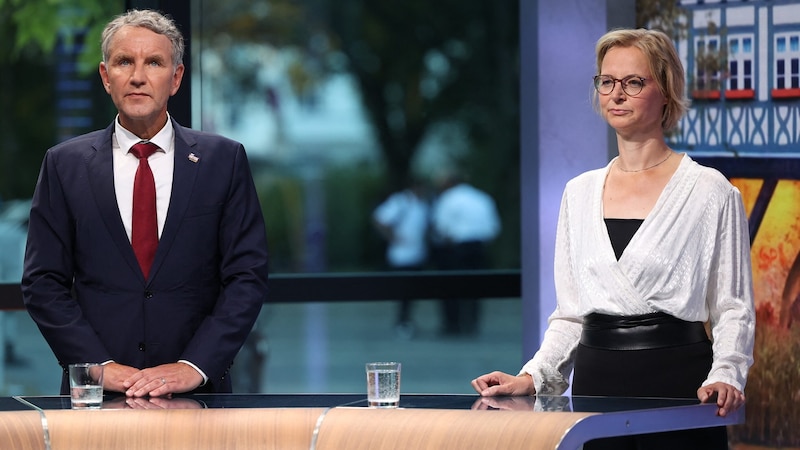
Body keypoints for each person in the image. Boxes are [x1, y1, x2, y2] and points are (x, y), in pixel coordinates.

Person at [471, 28, 755, 449]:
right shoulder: (578, 192)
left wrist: (725, 374)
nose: (616, 94)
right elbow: (570, 316)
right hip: (596, 382)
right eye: (607, 81)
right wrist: (533, 376)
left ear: (666, 91)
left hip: (678, 381)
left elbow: (733, 307)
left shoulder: (709, 191)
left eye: (633, 82)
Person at [21, 9, 269, 398]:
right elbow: (42, 282)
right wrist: (98, 367)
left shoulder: (224, 160)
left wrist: (195, 365)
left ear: (176, 78)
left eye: (154, 62)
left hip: (199, 394)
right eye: (124, 62)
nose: (138, 76)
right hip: (96, 396)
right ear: (106, 77)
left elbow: (246, 276)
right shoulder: (63, 164)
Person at [430, 170, 500, 336]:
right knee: (475, 287)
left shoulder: (448, 198)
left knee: (451, 286)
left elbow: (440, 226)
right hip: (479, 246)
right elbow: (493, 227)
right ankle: (472, 323)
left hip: (456, 247)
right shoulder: (482, 198)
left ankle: (453, 324)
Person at [372, 178, 430, 339]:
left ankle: (406, 320)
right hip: (402, 255)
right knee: (404, 290)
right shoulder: (401, 202)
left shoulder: (422, 204)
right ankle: (402, 322)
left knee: (413, 291)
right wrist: (393, 238)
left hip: (417, 253)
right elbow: (380, 219)